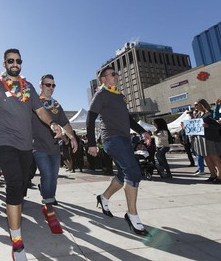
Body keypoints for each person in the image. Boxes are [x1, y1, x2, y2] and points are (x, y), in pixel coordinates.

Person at [0, 48, 62, 261]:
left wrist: (52, 123)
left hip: (26, 146)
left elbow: (40, 111)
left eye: (18, 61)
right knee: (14, 184)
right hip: (5, 143)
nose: (15, 63)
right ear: (4, 63)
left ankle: (18, 220)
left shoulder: (28, 87)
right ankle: (17, 242)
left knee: (22, 185)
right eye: (10, 60)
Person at [86, 65, 151, 236]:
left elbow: (127, 119)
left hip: (124, 139)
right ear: (103, 79)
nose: (117, 76)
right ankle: (132, 215)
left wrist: (142, 131)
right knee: (133, 172)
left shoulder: (119, 96)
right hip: (112, 139)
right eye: (113, 74)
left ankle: (104, 197)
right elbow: (90, 118)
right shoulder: (101, 94)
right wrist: (91, 143)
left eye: (117, 73)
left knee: (124, 175)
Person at [32, 74, 78, 234]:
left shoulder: (56, 104)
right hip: (37, 146)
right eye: (47, 85)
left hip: (54, 147)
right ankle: (49, 206)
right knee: (47, 174)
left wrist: (72, 136)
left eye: (53, 85)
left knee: (53, 176)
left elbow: (65, 122)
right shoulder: (34, 102)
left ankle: (47, 196)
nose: (50, 88)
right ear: (41, 86)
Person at [192, 99, 221, 184]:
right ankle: (212, 174)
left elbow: (218, 125)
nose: (195, 106)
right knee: (207, 157)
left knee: (214, 157)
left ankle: (220, 175)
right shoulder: (198, 115)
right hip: (201, 138)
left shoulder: (210, 113)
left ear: (202, 104)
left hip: (210, 138)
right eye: (194, 105)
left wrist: (208, 126)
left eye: (197, 104)